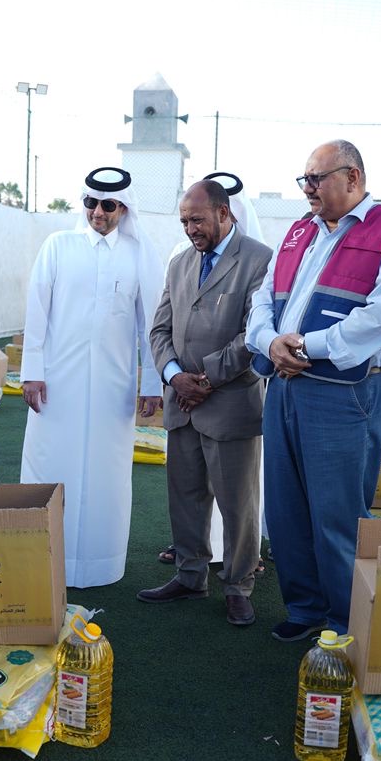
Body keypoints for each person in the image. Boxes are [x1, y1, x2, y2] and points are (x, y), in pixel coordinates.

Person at [246, 139, 381, 642]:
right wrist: (270, 341)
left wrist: (305, 346)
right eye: (303, 179)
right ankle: (305, 609)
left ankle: (346, 623)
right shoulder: (300, 231)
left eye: (316, 179)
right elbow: (263, 300)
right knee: (285, 508)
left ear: (353, 177)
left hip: (344, 394)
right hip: (284, 385)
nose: (307, 189)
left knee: (338, 515)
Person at [20, 167, 165, 588]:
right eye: (90, 203)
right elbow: (36, 311)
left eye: (108, 205)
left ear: (124, 209)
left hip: (112, 387)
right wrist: (31, 372)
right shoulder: (58, 246)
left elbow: (151, 325)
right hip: (56, 384)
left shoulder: (139, 254)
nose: (97, 212)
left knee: (108, 475)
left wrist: (152, 383)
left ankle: (102, 563)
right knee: (50, 463)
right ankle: (43, 559)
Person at [138, 180, 272, 626]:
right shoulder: (179, 262)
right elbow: (159, 330)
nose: (190, 229)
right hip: (183, 403)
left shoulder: (259, 260)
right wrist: (175, 377)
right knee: (185, 497)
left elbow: (254, 334)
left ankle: (238, 586)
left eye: (197, 220)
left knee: (238, 505)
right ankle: (190, 575)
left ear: (224, 214)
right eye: (184, 221)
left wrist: (207, 378)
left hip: (230, 405)